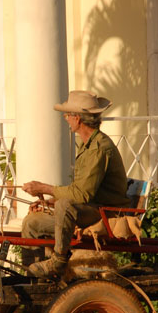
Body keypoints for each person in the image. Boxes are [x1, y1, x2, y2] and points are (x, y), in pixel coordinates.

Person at [20, 91, 130, 279]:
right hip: (89, 209)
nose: (65, 118)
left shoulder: (98, 148)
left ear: (77, 118)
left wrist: (44, 188)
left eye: (68, 114)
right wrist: (50, 201)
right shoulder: (88, 144)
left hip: (105, 212)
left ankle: (59, 261)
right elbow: (79, 191)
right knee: (32, 222)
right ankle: (32, 279)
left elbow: (81, 195)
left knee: (64, 204)